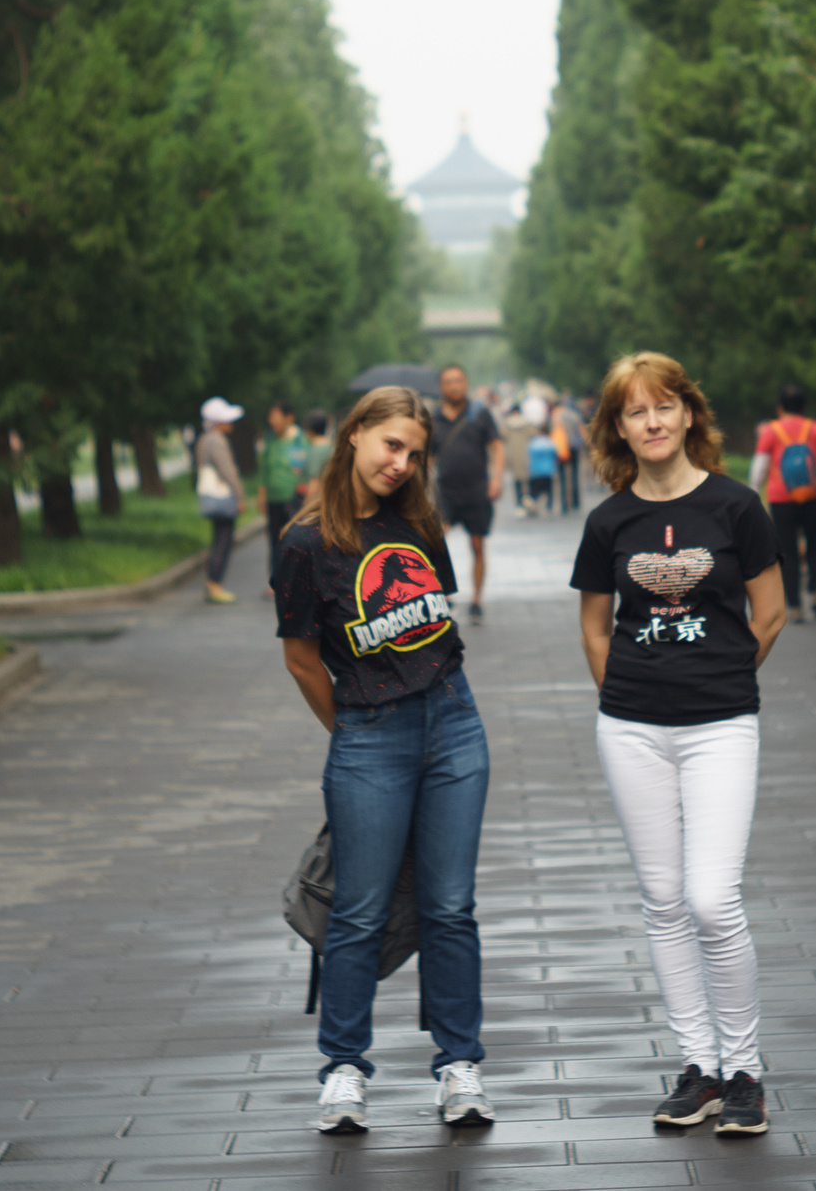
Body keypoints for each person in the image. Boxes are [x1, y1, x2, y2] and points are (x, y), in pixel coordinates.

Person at [572, 352, 786, 1137]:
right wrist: (627, 692)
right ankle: (698, 1069)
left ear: (688, 413)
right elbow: (595, 627)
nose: (653, 421)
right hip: (630, 728)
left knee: (711, 898)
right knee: (663, 902)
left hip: (721, 724)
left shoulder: (737, 508)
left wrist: (717, 677)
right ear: (619, 428)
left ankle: (745, 1074)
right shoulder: (609, 522)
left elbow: (770, 612)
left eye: (665, 405)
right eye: (636, 411)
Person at [273, 387, 492, 1134]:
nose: (402, 463)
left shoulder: (419, 523)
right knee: (359, 910)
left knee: (450, 907)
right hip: (370, 735)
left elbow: (436, 620)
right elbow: (303, 661)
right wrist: (358, 730)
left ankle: (460, 1066)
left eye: (415, 453)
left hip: (454, 724)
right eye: (391, 445)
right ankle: (342, 1069)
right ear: (355, 433)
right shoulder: (304, 544)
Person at [750, 385, 816, 621]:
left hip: (781, 498)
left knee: (787, 550)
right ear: (804, 407)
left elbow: (760, 466)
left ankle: (795, 607)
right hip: (814, 495)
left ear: (780, 408)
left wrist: (753, 492)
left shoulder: (771, 431)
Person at [430, 365, 504, 624]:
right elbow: (428, 457)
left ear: (466, 383)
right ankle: (443, 596)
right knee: (436, 542)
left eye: (458, 381)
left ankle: (477, 600)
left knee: (477, 544)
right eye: (448, 382)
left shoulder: (479, 414)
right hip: (445, 491)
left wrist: (496, 479)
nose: (453, 386)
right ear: (441, 387)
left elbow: (497, 445)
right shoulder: (434, 419)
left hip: (476, 490)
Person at [196, 397, 247, 605]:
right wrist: (239, 496)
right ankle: (215, 585)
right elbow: (227, 471)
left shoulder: (204, 439)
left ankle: (213, 584)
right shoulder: (217, 441)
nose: (230, 423)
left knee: (219, 538)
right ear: (217, 422)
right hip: (223, 498)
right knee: (223, 541)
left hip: (211, 496)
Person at [258, 400, 308, 599]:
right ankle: (275, 582)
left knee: (293, 540)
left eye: (276, 417)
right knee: (274, 540)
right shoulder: (271, 440)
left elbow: (305, 470)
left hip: (294, 499)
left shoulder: (300, 440)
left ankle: (296, 582)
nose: (272, 421)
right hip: (273, 499)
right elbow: (264, 469)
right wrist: (262, 494)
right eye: (271, 417)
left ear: (289, 418)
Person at [553, 394, 586, 512]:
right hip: (574, 447)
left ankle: (564, 505)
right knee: (574, 475)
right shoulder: (575, 415)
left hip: (561, 448)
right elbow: (582, 432)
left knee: (562, 477)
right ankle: (575, 502)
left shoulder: (556, 415)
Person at [525, 426, 559, 514]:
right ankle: (549, 507)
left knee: (534, 492)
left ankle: (533, 508)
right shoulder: (551, 442)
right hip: (548, 470)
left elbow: (529, 456)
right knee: (549, 491)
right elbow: (555, 455)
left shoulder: (533, 442)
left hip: (535, 471)